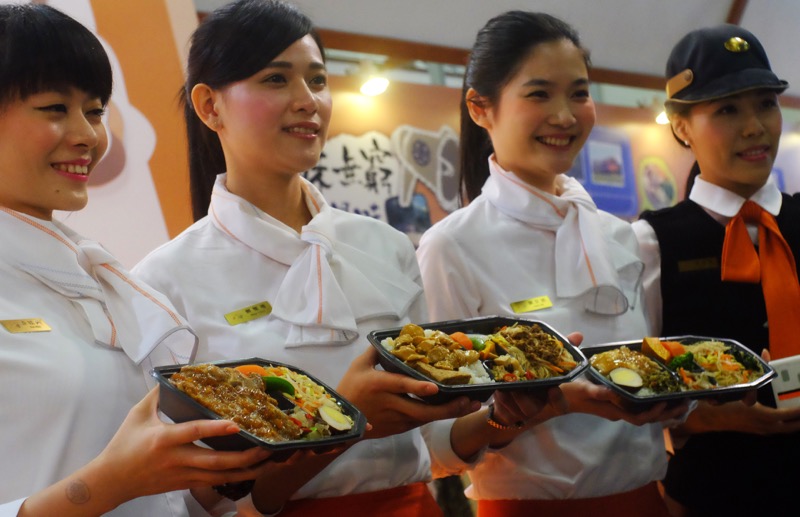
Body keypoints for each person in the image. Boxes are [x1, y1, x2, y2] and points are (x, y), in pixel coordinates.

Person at [132, 1, 486, 515]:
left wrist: (513, 417)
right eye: (276, 80)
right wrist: (346, 422)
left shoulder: (385, 245)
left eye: (317, 80)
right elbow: (196, 497)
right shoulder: (164, 281)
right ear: (209, 106)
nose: (308, 101)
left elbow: (432, 445)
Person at [0, 4, 273, 517]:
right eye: (55, 108)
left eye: (96, 110)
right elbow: (112, 480)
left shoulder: (100, 276)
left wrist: (216, 477)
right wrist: (107, 485)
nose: (88, 135)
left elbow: (157, 494)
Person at [417, 11, 686, 517]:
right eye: (539, 94)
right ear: (481, 108)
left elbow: (651, 368)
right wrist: (538, 409)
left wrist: (680, 398)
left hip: (646, 502)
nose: (564, 115)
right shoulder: (451, 247)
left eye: (579, 94)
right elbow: (436, 444)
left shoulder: (618, 235)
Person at [634, 24, 800, 516]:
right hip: (713, 494)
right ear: (680, 126)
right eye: (728, 109)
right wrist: (704, 417)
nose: (754, 127)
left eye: (765, 104)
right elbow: (635, 390)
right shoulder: (649, 243)